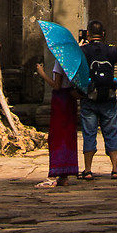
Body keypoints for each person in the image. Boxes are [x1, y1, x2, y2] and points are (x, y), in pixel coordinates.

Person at [79, 20, 117, 181]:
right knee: (111, 132)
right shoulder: (112, 50)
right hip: (109, 97)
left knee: (89, 133)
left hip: (89, 97)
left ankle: (88, 170)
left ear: (88, 34)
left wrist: (80, 47)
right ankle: (115, 169)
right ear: (103, 34)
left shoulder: (83, 51)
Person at [45, 59, 80, 187]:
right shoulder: (74, 62)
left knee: (58, 136)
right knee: (68, 135)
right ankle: (65, 174)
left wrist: (42, 73)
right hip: (70, 100)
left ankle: (57, 172)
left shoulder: (59, 61)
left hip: (60, 100)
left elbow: (57, 85)